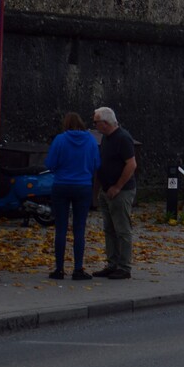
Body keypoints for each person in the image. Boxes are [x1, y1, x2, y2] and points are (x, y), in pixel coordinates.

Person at [45, 112, 100, 281]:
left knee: (60, 228)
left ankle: (59, 269)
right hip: (83, 186)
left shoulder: (60, 140)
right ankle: (78, 269)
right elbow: (96, 164)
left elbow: (50, 164)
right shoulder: (90, 140)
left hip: (61, 185)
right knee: (79, 229)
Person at [92, 106, 137, 280]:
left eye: (96, 122)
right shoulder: (106, 138)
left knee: (122, 229)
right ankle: (112, 263)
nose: (95, 125)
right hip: (106, 189)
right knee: (109, 228)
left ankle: (124, 266)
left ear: (105, 123)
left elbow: (131, 164)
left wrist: (117, 186)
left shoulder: (123, 138)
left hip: (121, 191)